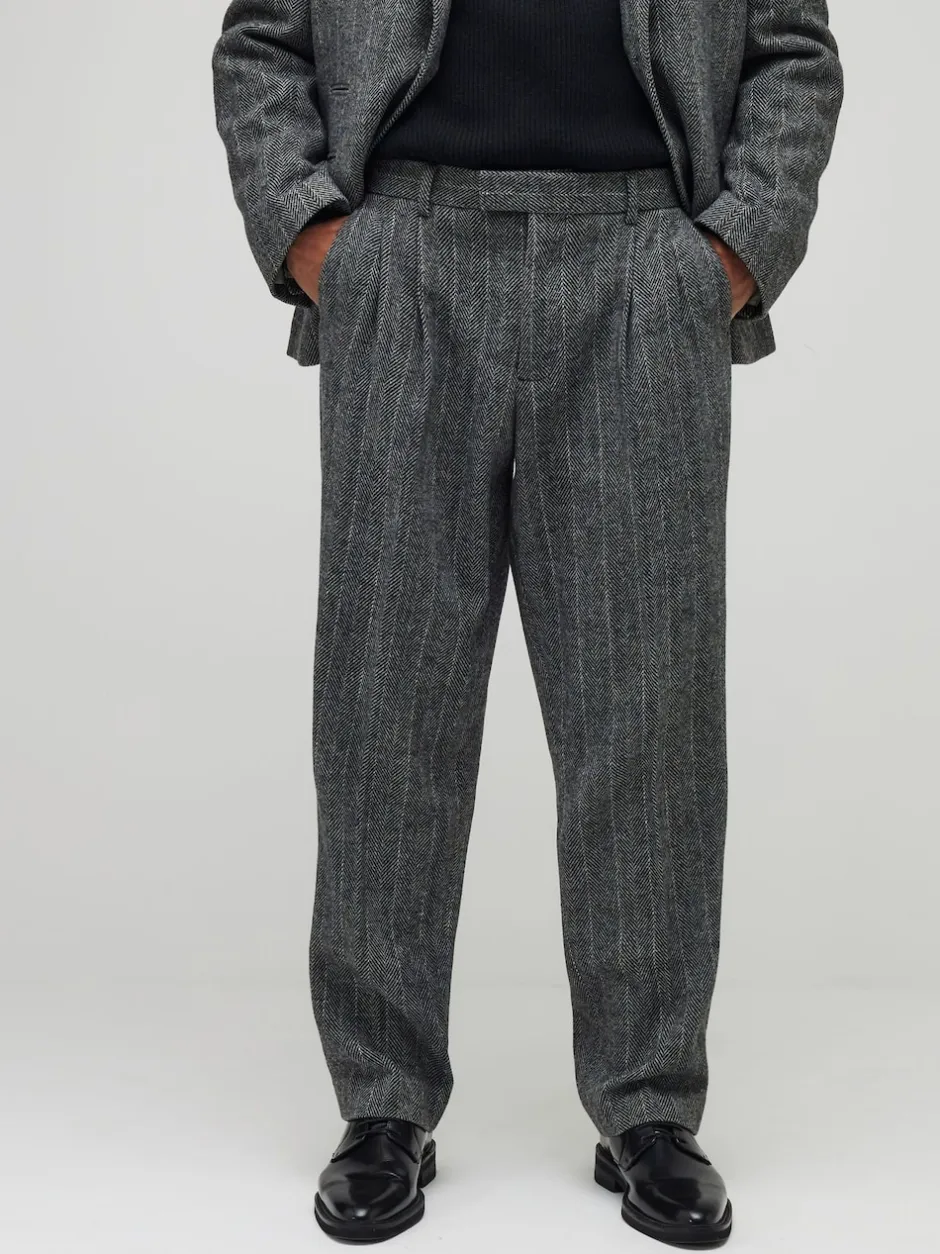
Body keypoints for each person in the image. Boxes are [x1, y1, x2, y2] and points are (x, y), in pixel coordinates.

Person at [212, 0, 843, 1245]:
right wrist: (315, 237)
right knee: (387, 704)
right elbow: (261, 43)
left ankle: (648, 1109)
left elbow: (793, 51)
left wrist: (734, 249)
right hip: (406, 252)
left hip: (642, 262)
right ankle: (382, 1104)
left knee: (645, 712)